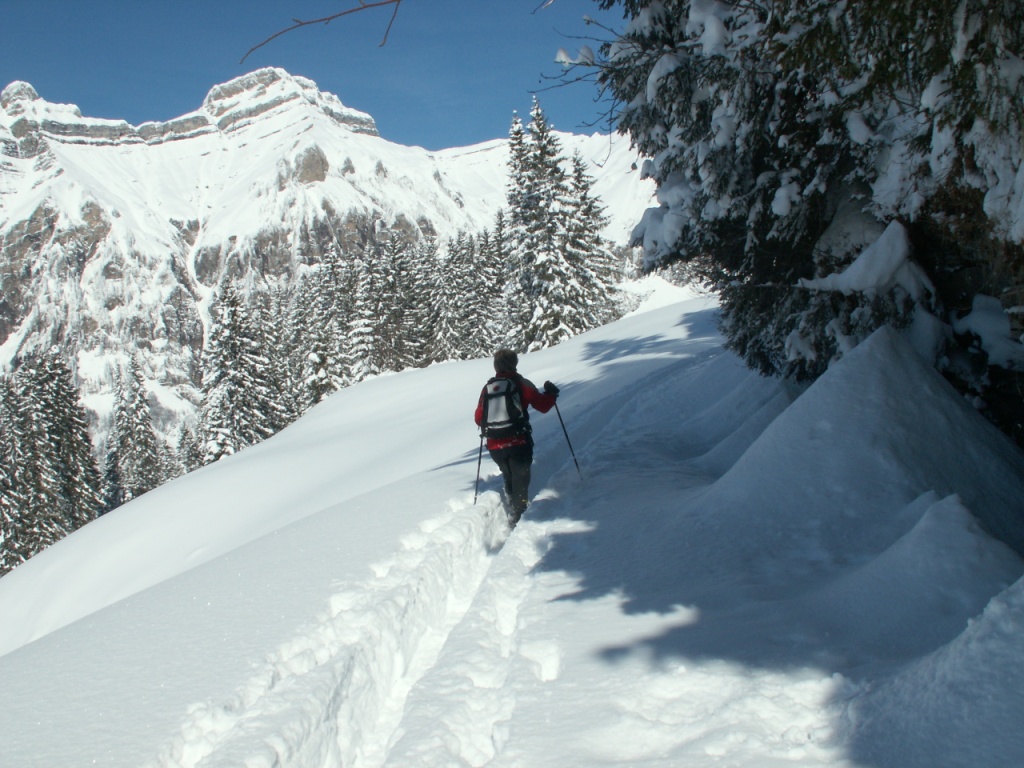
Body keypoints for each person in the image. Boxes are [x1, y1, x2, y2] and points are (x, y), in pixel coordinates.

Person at [475, 349, 559, 526]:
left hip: (495, 445)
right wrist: (551, 394)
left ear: (496, 366)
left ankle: (512, 503)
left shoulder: (488, 388)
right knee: (521, 477)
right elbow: (542, 406)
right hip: (518, 441)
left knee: (509, 475)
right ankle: (518, 517)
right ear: (514, 363)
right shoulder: (521, 383)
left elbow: (478, 417)